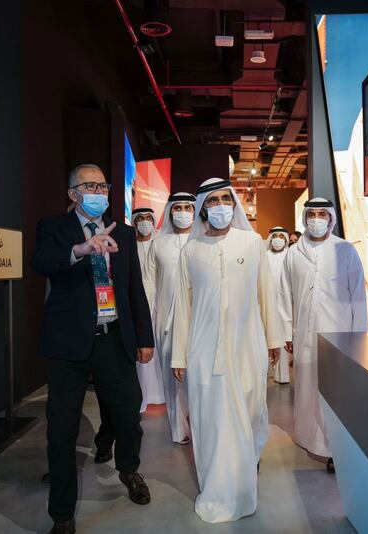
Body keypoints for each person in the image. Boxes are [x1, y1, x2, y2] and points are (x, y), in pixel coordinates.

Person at [33, 164, 154, 534]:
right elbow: (41, 263)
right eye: (90, 185)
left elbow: (135, 288)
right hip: (68, 344)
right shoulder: (53, 228)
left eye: (104, 186)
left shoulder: (126, 235)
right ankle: (62, 514)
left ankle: (129, 469)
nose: (99, 192)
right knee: (62, 429)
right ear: (73, 193)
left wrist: (144, 337)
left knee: (128, 414)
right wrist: (81, 249)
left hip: (113, 337)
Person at [171, 177, 285, 523]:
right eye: (214, 200)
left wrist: (273, 340)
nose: (220, 205)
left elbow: (267, 293)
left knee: (249, 415)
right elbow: (183, 308)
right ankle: (218, 490)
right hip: (204, 350)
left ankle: (243, 481)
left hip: (246, 346)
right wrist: (179, 355)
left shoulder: (252, 243)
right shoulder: (189, 251)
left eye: (226, 198)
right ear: (204, 207)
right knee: (210, 420)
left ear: (233, 203)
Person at [279, 197, 367, 474]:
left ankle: (333, 448)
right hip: (303, 335)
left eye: (322, 214)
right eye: (312, 214)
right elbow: (284, 294)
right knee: (306, 388)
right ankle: (308, 437)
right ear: (305, 218)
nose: (316, 219)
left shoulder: (345, 251)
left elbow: (358, 298)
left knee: (334, 394)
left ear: (331, 218)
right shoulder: (294, 252)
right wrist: (286, 330)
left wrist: (358, 337)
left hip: (338, 336)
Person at [142, 192, 196, 445]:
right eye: (178, 207)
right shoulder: (158, 244)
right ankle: (178, 429)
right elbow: (149, 286)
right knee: (172, 379)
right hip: (166, 322)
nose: (183, 212)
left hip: (198, 321)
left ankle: (199, 427)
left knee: (198, 377)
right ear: (170, 211)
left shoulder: (204, 240)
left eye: (188, 206)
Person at [131, 207, 166, 412]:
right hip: (139, 305)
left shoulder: (160, 244)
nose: (144, 222)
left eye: (148, 218)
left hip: (159, 303)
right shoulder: (130, 245)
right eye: (140, 219)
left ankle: (162, 393)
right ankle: (145, 394)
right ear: (134, 222)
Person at [265, 227, 291, 384]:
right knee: (267, 337)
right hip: (267, 302)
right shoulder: (265, 256)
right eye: (275, 236)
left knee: (282, 338)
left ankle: (283, 376)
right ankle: (267, 373)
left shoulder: (290, 255)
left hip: (285, 302)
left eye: (282, 236)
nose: (278, 239)